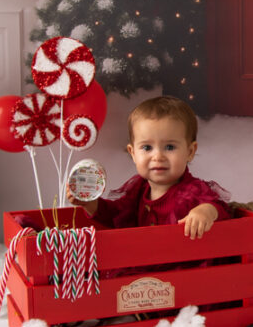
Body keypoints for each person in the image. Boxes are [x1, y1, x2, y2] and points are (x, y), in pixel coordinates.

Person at [69, 95, 231, 239]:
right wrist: (89, 203)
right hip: (146, 258)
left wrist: (204, 212)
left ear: (190, 151)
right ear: (133, 153)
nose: (158, 157)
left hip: (184, 261)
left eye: (169, 147)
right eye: (147, 148)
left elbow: (220, 208)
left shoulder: (192, 190)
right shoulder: (139, 190)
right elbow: (116, 215)